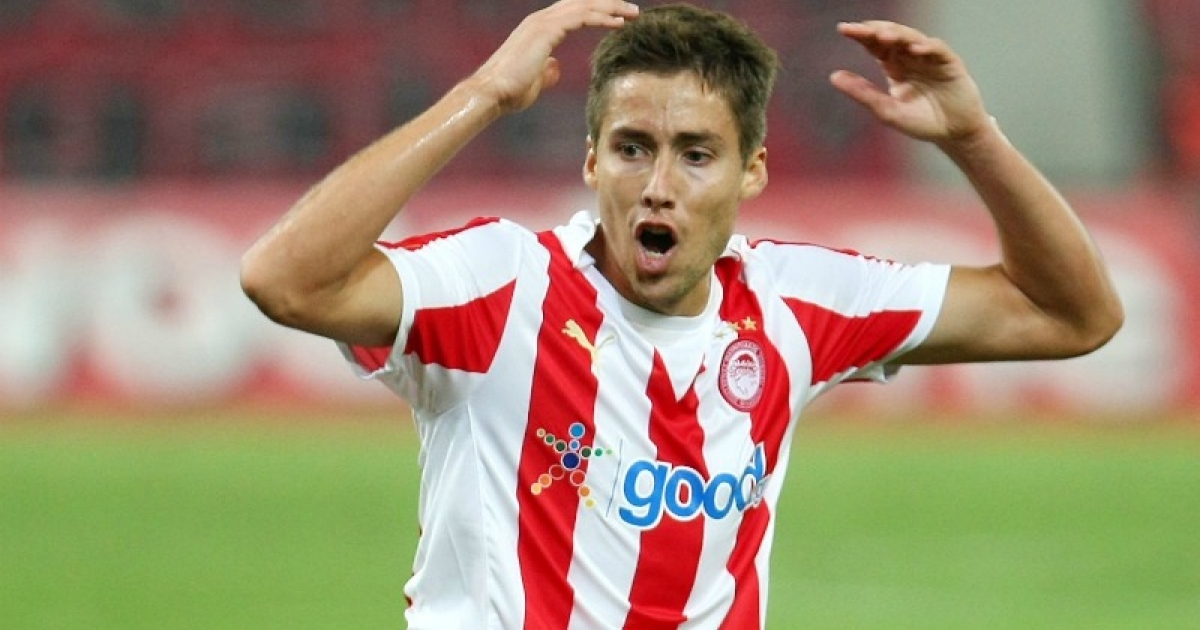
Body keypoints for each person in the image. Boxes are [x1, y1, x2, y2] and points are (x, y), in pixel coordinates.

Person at [240, 1, 1123, 627]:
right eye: (633, 148)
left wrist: (973, 138)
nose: (658, 185)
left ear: (753, 170)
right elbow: (285, 280)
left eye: (696, 155)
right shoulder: (501, 285)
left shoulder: (793, 304)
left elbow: (1070, 315)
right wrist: (485, 94)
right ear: (592, 160)